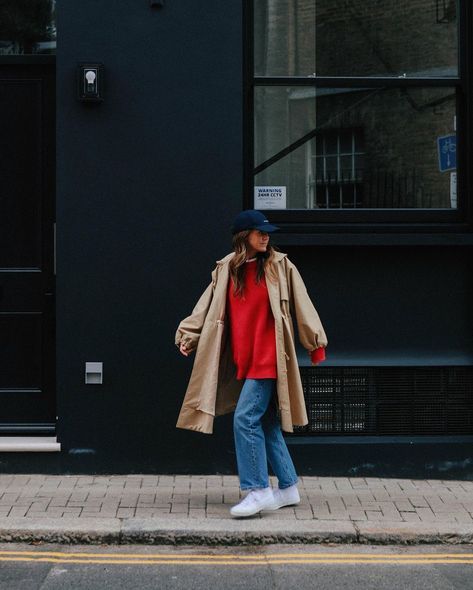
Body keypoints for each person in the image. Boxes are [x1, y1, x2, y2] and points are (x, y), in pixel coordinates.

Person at [175, 209, 328, 518]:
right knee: (268, 424)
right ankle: (287, 487)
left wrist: (315, 342)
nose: (266, 235)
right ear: (244, 236)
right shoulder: (226, 270)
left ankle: (257, 490)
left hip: (270, 359)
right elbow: (206, 306)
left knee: (244, 420)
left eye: (267, 231)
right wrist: (188, 335)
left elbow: (303, 303)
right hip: (245, 360)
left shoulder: (280, 267)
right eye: (260, 231)